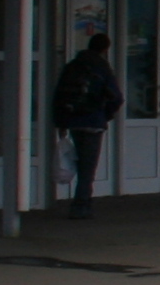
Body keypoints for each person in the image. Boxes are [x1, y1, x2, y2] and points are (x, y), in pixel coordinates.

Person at [51, 31, 123, 219]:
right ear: (105, 49)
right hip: (93, 122)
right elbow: (117, 97)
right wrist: (105, 115)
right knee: (88, 167)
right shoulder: (102, 68)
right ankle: (81, 206)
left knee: (79, 160)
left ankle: (79, 202)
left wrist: (61, 121)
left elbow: (59, 95)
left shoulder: (72, 66)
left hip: (74, 121)